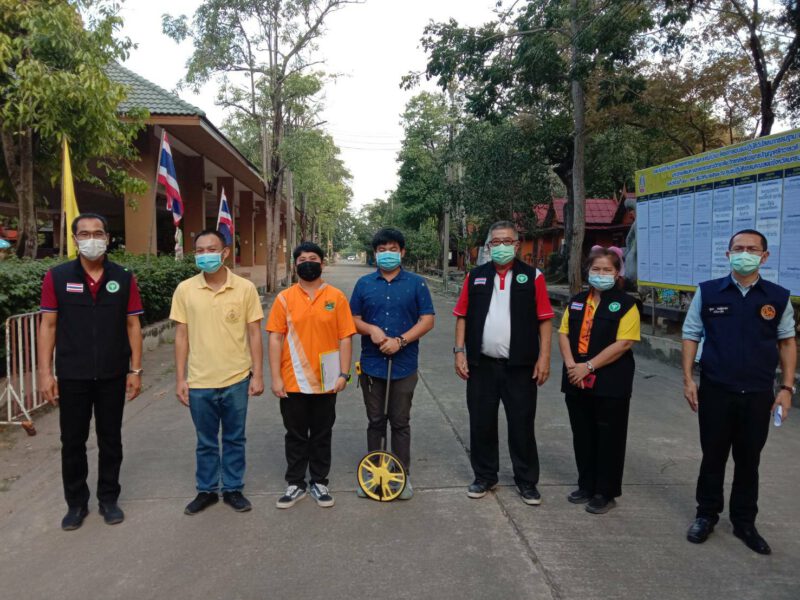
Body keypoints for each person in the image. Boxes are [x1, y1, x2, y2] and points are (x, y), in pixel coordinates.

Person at [682, 229, 796, 555]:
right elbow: (690, 334)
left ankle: (745, 522)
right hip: (716, 390)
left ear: (764, 256)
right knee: (713, 456)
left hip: (758, 392)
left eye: (751, 249)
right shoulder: (709, 292)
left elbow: (787, 342)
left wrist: (786, 388)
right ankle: (706, 515)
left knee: (749, 459)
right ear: (727, 254)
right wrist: (688, 379)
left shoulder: (777, 297)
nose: (744, 253)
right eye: (738, 248)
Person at [38, 213, 144, 530]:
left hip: (113, 374)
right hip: (72, 374)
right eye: (84, 233)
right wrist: (45, 373)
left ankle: (108, 499)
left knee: (111, 439)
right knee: (73, 442)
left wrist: (135, 369)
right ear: (74, 240)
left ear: (108, 238)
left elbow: (133, 325)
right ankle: (76, 504)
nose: (91, 239)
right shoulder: (56, 277)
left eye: (98, 232)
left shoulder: (123, 277)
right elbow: (49, 326)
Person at [453, 220, 554, 505]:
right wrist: (459, 351)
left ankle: (526, 481)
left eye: (507, 241)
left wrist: (544, 357)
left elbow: (545, 320)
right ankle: (485, 476)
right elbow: (461, 315)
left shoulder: (532, 276)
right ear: (488, 247)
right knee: (481, 422)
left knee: (521, 424)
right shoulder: (475, 276)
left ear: (517, 244)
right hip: (481, 364)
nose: (501, 247)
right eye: (495, 242)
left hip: (520, 367)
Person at [170, 229, 264, 516]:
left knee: (235, 437)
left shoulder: (244, 288)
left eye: (211, 249)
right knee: (206, 440)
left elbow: (254, 333)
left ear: (225, 253)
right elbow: (181, 336)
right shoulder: (185, 289)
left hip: (236, 378)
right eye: (199, 250)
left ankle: (233, 488)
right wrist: (180, 379)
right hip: (199, 381)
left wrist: (257, 374)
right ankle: (207, 490)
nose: (205, 255)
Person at [266, 242, 356, 509]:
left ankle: (319, 481)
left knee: (321, 433)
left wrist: (344, 373)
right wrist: (276, 378)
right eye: (302, 258)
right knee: (294, 434)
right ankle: (295, 483)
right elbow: (274, 338)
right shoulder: (284, 299)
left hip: (327, 380)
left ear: (322, 263)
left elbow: (346, 338)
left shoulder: (336, 297)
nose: (308, 262)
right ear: (295, 265)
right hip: (292, 380)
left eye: (313, 258)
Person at [349, 228, 435, 500]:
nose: (388, 254)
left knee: (399, 421)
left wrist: (401, 341)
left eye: (393, 249)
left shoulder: (416, 284)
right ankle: (373, 475)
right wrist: (371, 329)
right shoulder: (364, 284)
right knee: (375, 421)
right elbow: (352, 319)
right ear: (375, 254)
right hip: (373, 365)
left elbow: (427, 320)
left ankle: (400, 476)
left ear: (402, 252)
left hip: (404, 365)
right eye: (382, 250)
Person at [558, 246, 640, 514]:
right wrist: (572, 366)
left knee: (610, 437)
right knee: (582, 433)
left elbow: (624, 343)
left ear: (617, 273)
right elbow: (564, 333)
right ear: (588, 271)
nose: (601, 274)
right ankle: (586, 484)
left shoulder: (627, 304)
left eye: (607, 270)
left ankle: (605, 492)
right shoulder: (578, 300)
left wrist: (589, 366)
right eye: (596, 269)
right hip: (576, 377)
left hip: (610, 380)